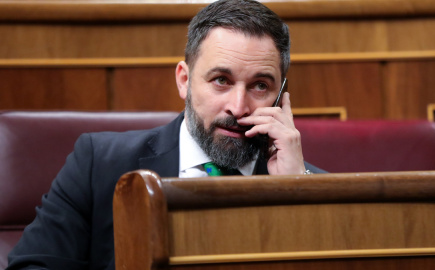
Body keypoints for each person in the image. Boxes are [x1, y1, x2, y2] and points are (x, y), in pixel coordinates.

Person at [7, 0, 325, 269]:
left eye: (260, 86)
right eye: (221, 80)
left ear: (281, 96)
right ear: (184, 80)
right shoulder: (98, 164)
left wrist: (296, 188)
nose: (238, 108)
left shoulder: (317, 189)